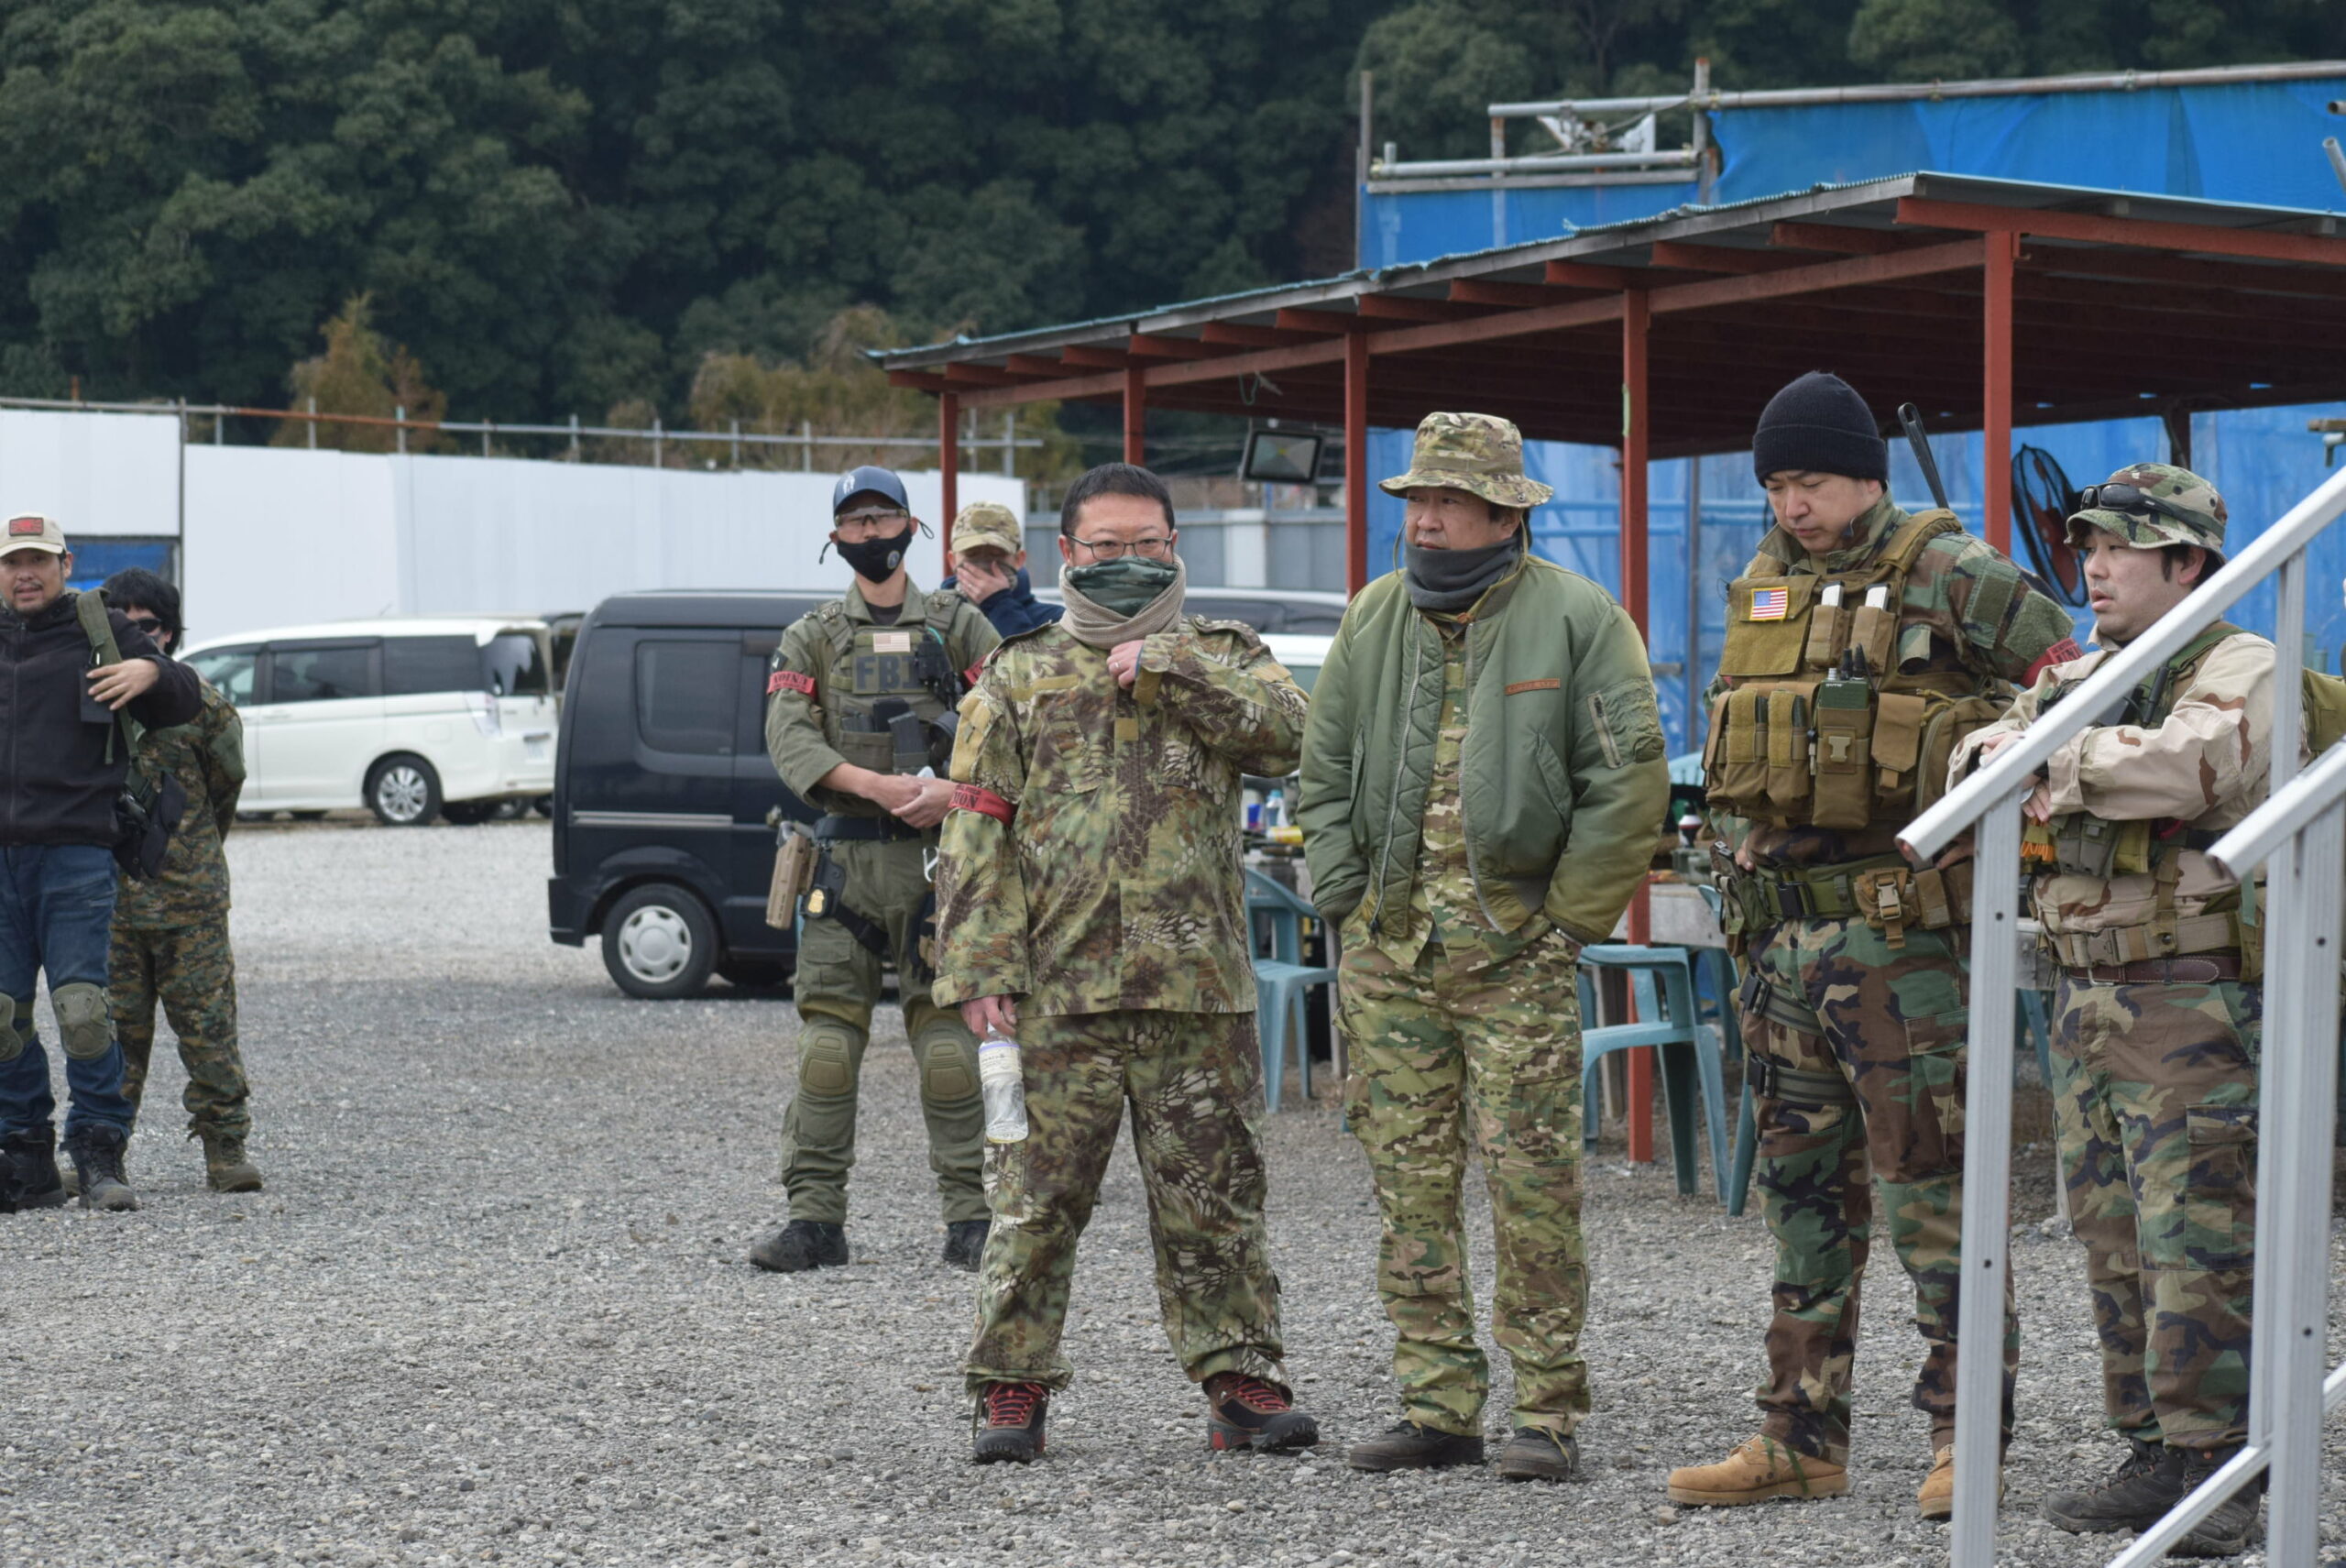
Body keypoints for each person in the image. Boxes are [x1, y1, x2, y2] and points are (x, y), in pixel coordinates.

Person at [1669, 372, 2076, 1519]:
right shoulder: (1766, 579)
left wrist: (1991, 767)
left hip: (1901, 945)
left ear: (1863, 475)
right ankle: (1799, 1434)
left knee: (1932, 1193)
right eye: (1774, 486)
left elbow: (2075, 684)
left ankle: (1966, 1437)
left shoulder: (1951, 570)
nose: (1789, 506)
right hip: (1780, 937)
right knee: (1802, 1197)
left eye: (1807, 482)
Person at [1295, 411, 1666, 1482]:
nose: (1424, 519)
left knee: (1532, 1184)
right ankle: (1437, 1404)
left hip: (1515, 958)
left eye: (1447, 501)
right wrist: (1345, 897)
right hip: (1390, 958)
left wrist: (1566, 924)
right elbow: (1324, 767)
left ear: (1505, 515)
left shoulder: (1579, 618)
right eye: (1416, 499)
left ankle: (1545, 1410)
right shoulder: (1374, 616)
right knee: (1407, 1184)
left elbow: (1628, 781)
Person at [935, 461, 1318, 1464]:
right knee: (1033, 1200)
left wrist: (1169, 667)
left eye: (1148, 544)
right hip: (1056, 994)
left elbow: (1290, 738)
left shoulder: (1224, 654)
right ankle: (1011, 1384)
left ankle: (1239, 1378)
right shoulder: (1017, 673)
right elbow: (976, 825)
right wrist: (979, 965)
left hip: (1196, 992)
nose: (1128, 561)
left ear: (1175, 545)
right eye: (1107, 546)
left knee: (1215, 1198)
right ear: (1066, 554)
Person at [1953, 465, 2275, 1559]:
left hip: (2185, 993)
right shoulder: (2083, 672)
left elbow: (2192, 766)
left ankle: (2220, 1465)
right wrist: (2041, 754)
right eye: (2087, 544)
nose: (2092, 566)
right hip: (2084, 990)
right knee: (2110, 1234)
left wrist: (2050, 760)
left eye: (2119, 547)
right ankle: (2150, 1449)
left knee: (2195, 1233)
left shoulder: (2235, 660)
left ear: (2185, 563)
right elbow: (1971, 757)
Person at [751, 466, 1000, 1274]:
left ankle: (973, 1218)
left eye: (884, 517)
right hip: (845, 862)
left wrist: (952, 792)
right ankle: (814, 1219)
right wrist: (875, 785)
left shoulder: (962, 627)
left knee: (950, 1045)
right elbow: (789, 736)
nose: (871, 533)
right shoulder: (813, 636)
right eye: (855, 522)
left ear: (911, 527)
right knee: (827, 1045)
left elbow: (1016, 726)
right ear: (836, 537)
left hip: (943, 863)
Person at [0, 514, 200, 1213]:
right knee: (1, 1016)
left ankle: (98, 1148)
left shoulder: (102, 627)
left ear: (65, 563)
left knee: (83, 1011)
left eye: (38, 560)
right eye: (12, 562)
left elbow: (185, 698)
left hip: (75, 854)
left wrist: (154, 669)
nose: (25, 574)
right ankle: (24, 1154)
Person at [100, 567, 260, 1194]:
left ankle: (226, 1147)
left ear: (169, 633)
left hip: (189, 902)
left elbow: (227, 785)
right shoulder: (90, 702)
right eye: (121, 625)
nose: (135, 637)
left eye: (148, 627)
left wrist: (191, 850)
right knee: (109, 1038)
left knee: (208, 1029)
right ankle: (102, 1153)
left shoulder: (202, 705)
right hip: (109, 905)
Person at [939, 501, 1059, 638]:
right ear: (952, 560)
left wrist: (999, 604)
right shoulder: (932, 618)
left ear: (1019, 560)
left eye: (996, 554)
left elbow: (1033, 652)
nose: (983, 566)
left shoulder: (1053, 620)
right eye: (972, 554)